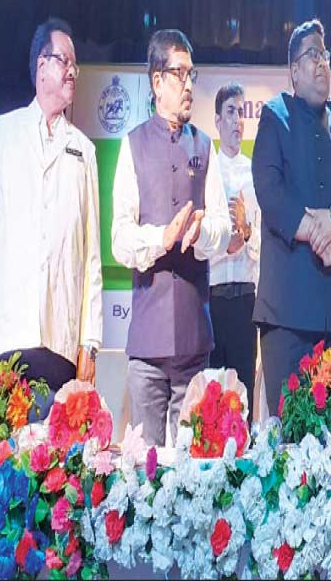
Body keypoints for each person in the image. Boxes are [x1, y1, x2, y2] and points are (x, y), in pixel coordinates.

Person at [0, 17, 102, 420]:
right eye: (64, 61)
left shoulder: (84, 150)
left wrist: (89, 342)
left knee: (54, 451)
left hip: (59, 341)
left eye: (75, 65)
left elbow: (91, 255)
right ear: (42, 65)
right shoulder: (3, 133)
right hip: (5, 337)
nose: (72, 72)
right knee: (1, 448)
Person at [111, 29, 232, 446]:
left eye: (191, 74)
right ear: (157, 81)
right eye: (180, 74)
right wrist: (162, 237)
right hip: (147, 340)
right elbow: (120, 237)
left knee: (191, 466)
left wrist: (200, 233)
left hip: (194, 338)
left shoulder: (205, 146)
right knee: (145, 467)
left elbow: (223, 228)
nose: (189, 85)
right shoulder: (133, 145)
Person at [252, 19, 331, 417]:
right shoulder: (274, 117)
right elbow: (270, 192)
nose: (321, 63)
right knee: (288, 436)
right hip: (287, 313)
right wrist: (315, 234)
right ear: (294, 70)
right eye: (312, 55)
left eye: (325, 54)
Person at [208, 82, 261, 420]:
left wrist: (246, 230)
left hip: (244, 297)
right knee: (212, 398)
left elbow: (261, 242)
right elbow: (201, 241)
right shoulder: (207, 171)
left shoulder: (254, 173)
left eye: (241, 112)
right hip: (212, 297)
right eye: (230, 112)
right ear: (217, 120)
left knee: (243, 396)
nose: (237, 120)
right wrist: (227, 244)